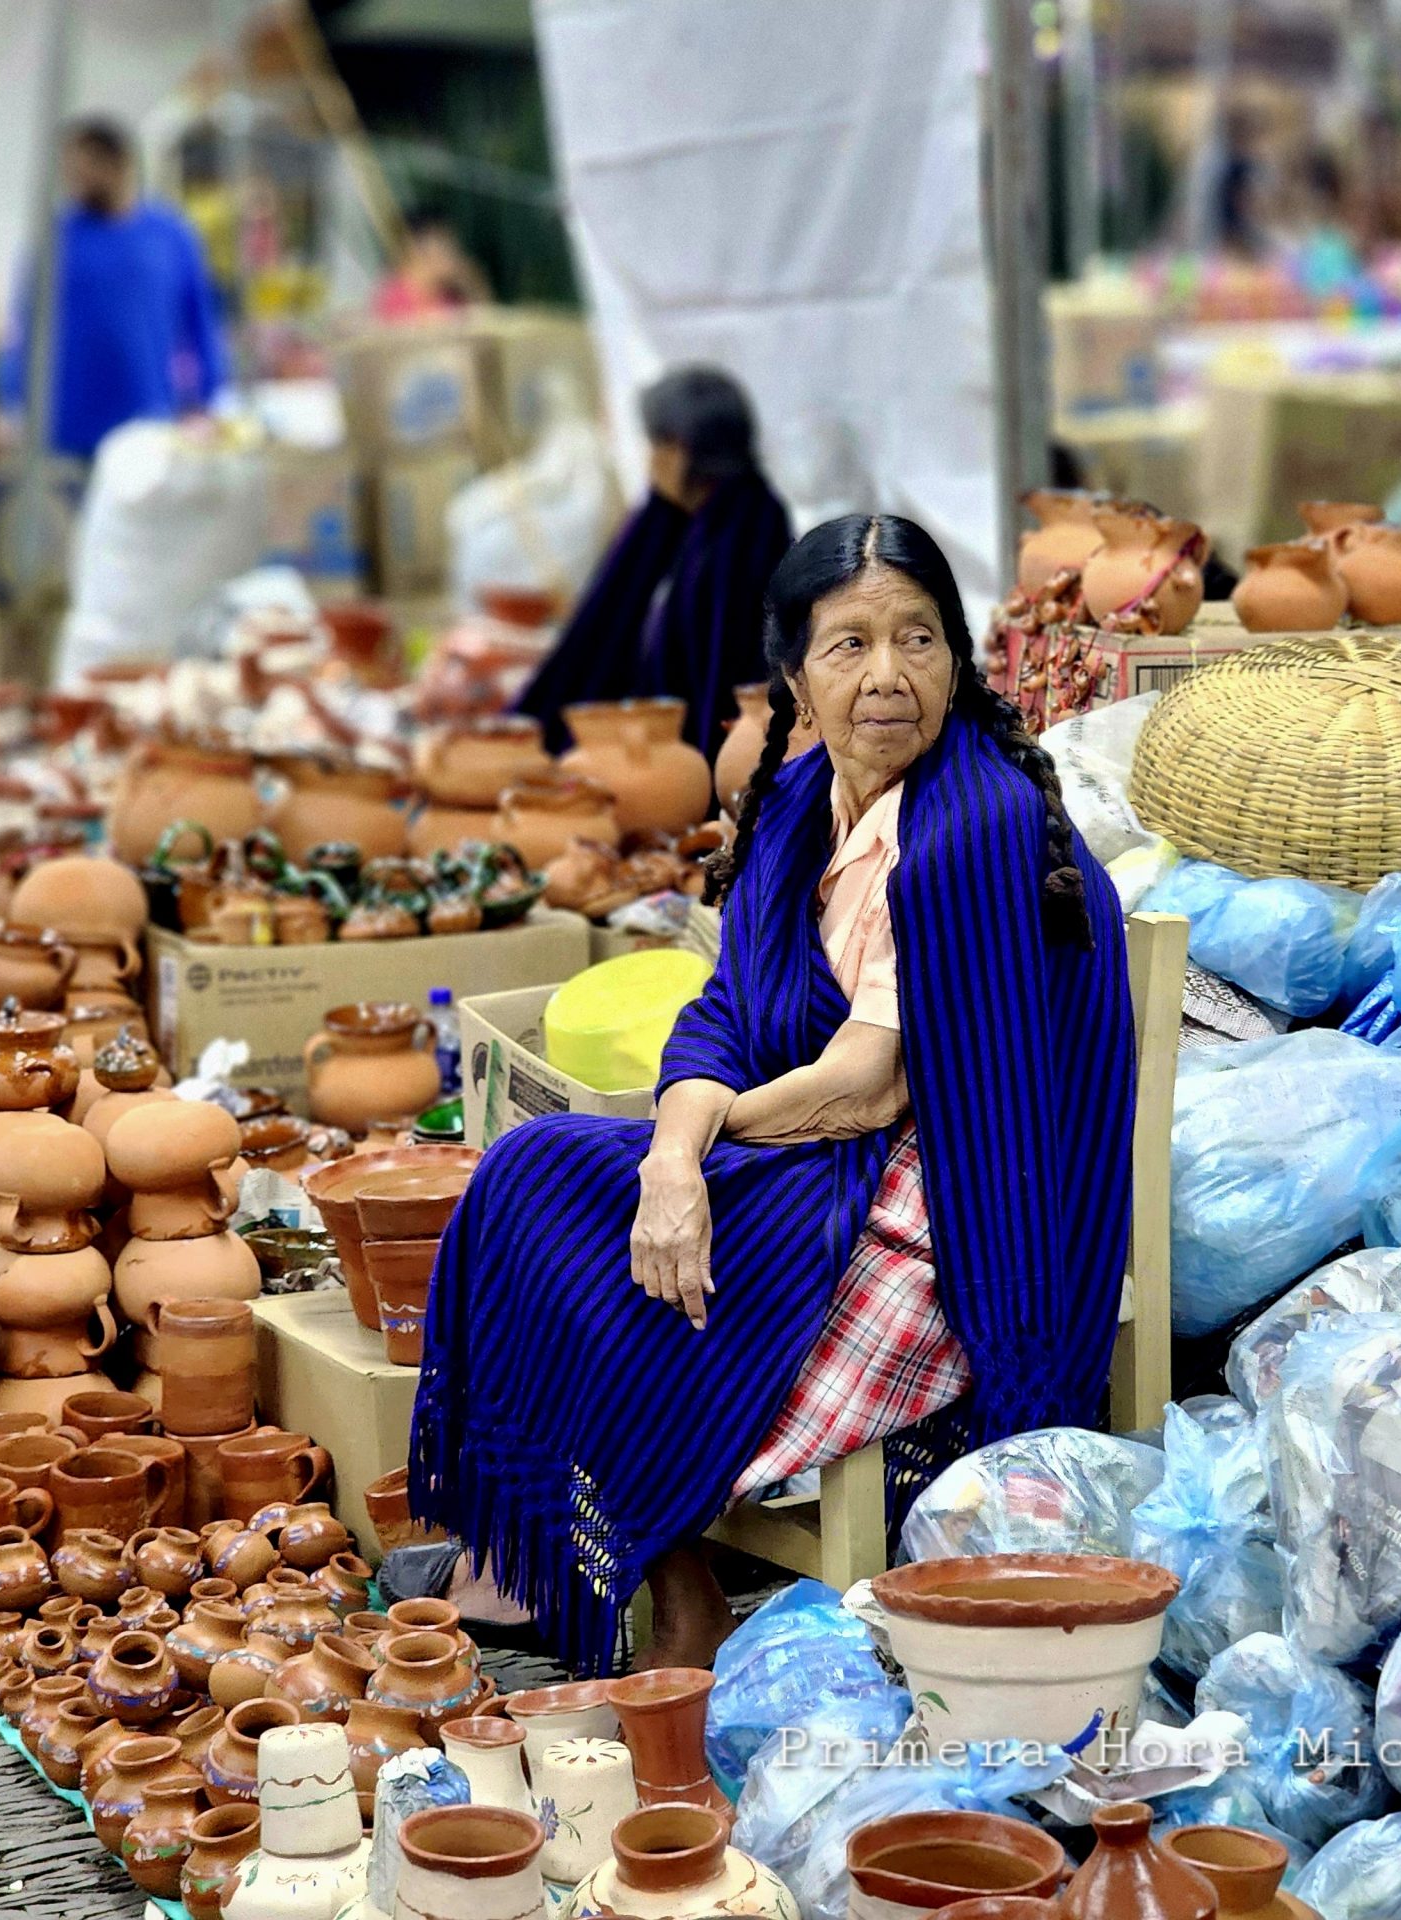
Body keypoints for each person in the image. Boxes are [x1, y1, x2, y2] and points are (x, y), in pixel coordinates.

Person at [415, 514, 1136, 1673]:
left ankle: (646, 1572)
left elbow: (863, 1086)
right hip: (826, 1155)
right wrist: (665, 1160)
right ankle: (666, 1573)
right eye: (847, 647)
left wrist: (692, 1153)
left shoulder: (973, 828)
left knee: (627, 1269)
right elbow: (725, 1014)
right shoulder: (806, 800)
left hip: (953, 1209)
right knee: (525, 1175)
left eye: (918, 639)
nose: (888, 677)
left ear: (958, 656)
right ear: (794, 676)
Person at [513, 364, 793, 757]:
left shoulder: (744, 528)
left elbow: (720, 665)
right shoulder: (686, 514)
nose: (652, 459)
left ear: (681, 448)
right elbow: (608, 616)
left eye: (658, 443)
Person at [0, 116, 227, 463]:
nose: (74, 178)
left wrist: (205, 396)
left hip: (147, 422)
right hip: (65, 430)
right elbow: (25, 327)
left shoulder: (170, 236)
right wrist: (11, 397)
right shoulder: (54, 240)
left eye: (84, 166)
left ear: (119, 163)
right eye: (69, 169)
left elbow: (199, 324)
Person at [369, 215, 486, 322]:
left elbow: (482, 328)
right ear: (416, 249)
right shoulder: (394, 299)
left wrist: (473, 285)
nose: (455, 253)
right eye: (445, 244)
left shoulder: (450, 295)